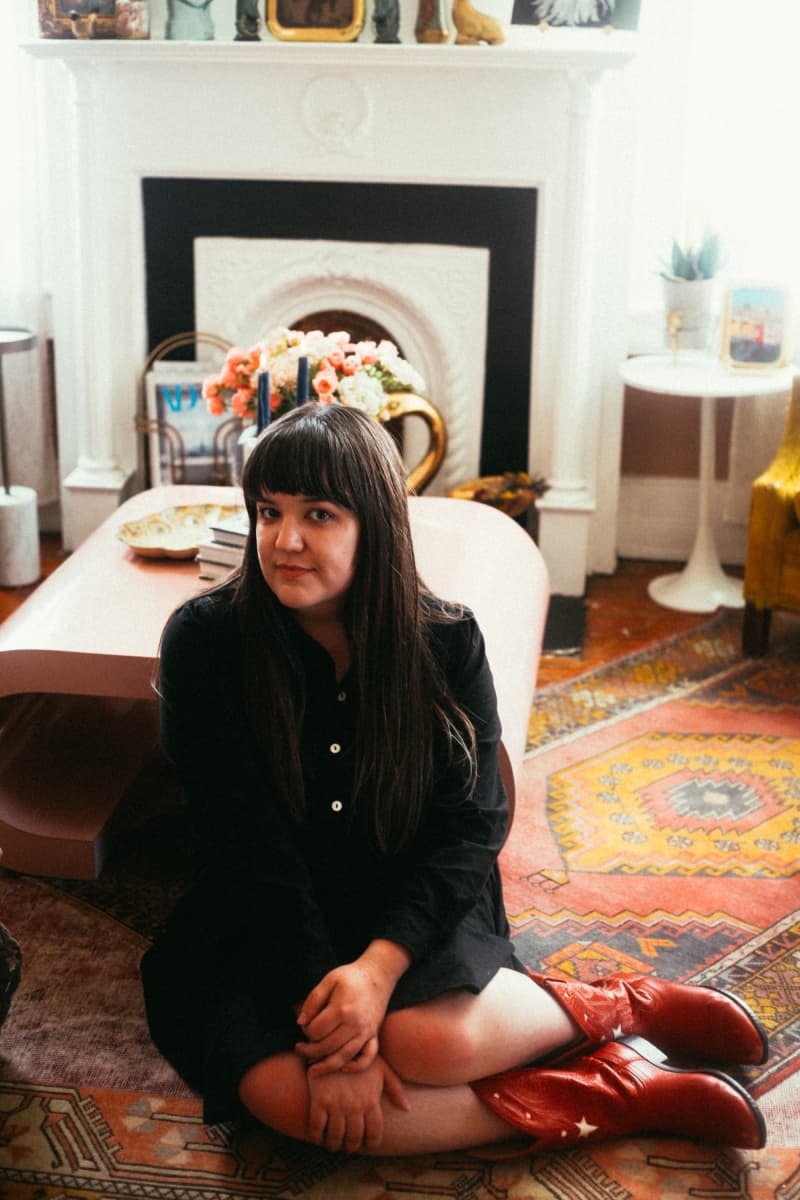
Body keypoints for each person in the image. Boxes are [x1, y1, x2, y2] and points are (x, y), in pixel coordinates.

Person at [141, 402, 768, 1157]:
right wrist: (334, 1035)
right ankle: (614, 1094)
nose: (286, 540)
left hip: (402, 889)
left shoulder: (443, 639)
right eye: (268, 512)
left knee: (427, 1044)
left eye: (319, 514)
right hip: (259, 914)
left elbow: (473, 820)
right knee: (293, 1103)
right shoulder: (205, 642)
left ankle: (615, 1006)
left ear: (375, 525)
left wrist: (378, 971)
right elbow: (244, 845)